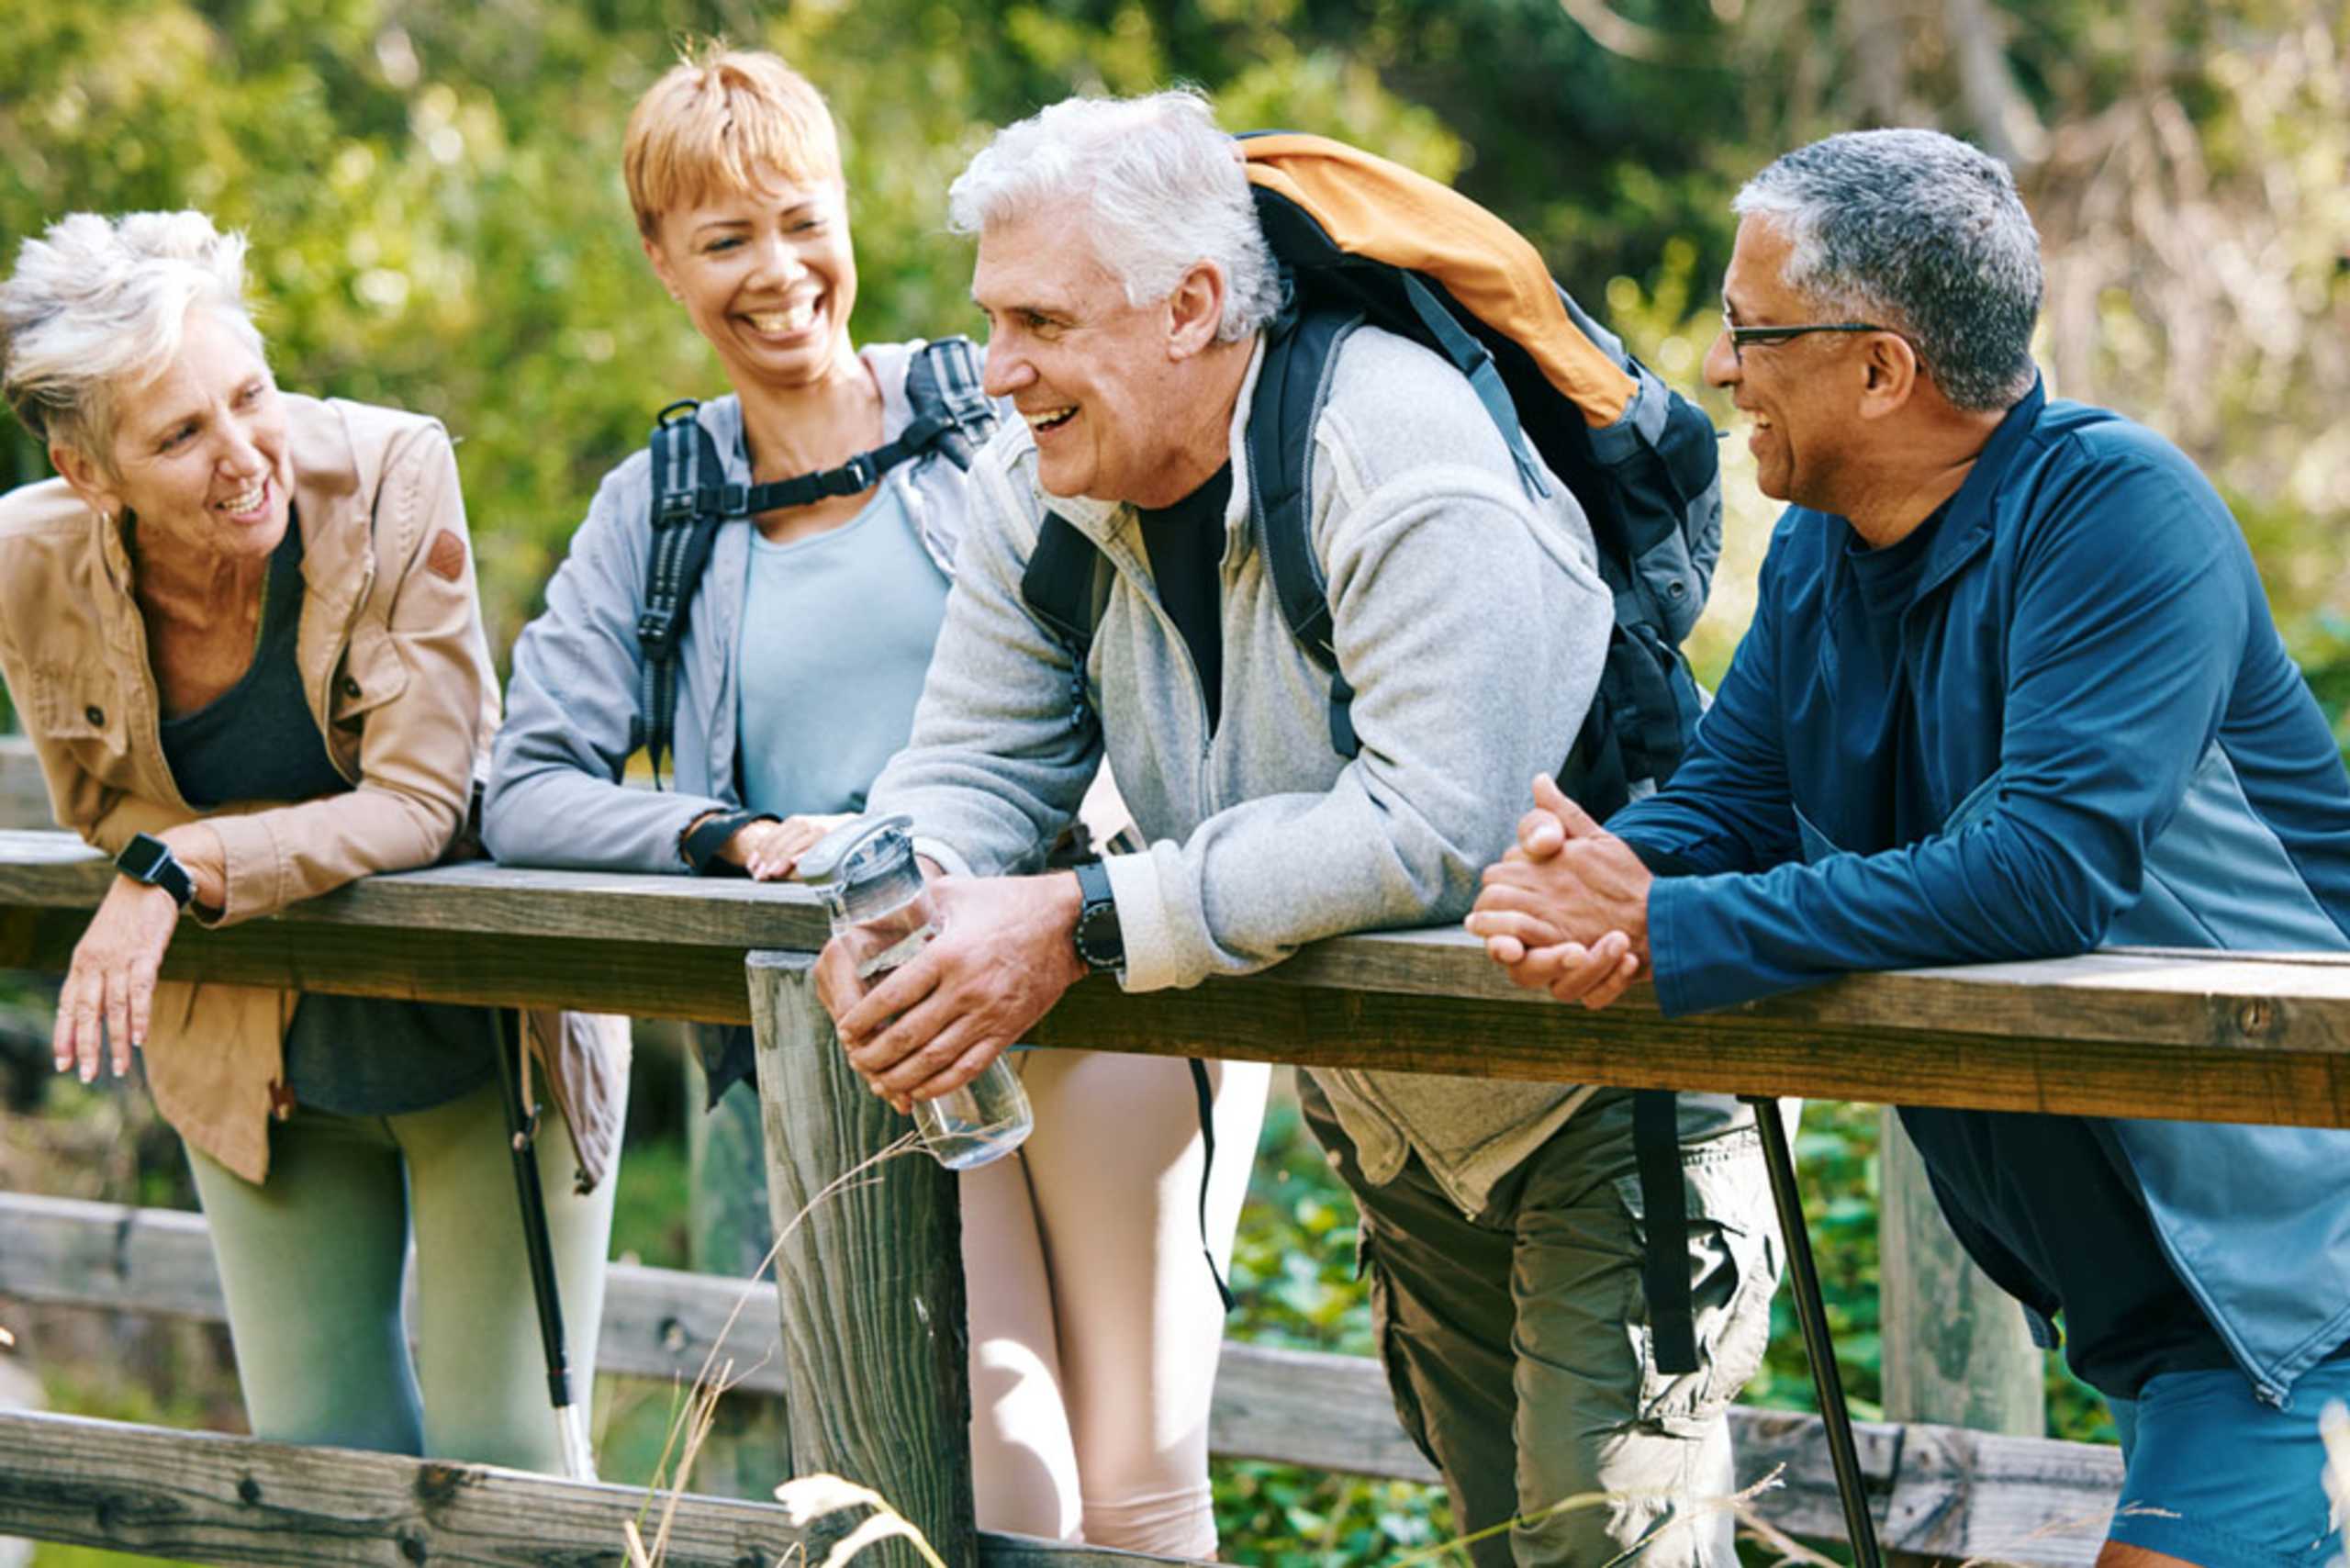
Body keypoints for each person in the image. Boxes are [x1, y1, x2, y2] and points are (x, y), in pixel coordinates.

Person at [816, 89, 1781, 1568]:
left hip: (1611, 1090)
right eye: (991, 320)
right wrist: (918, 895)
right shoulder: (1039, 489)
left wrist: (1076, 922)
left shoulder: (1395, 441)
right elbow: (969, 765)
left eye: (1041, 323)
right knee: (1510, 1540)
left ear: (1191, 305)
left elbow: (1435, 830)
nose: (996, 368)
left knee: (1607, 1551)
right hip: (1403, 1122)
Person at [1470, 128, 2350, 1568]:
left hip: (2303, 1280)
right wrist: (1598, 874)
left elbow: (2042, 869)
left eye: (1753, 331)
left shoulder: (2121, 518)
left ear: (1882, 370)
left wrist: (1668, 929)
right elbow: (1734, 800)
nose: (1719, 367)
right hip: (2164, 1295)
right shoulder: (1826, 549)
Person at [481, 51, 1265, 1556]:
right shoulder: (662, 501)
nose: (777, 275)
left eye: (799, 221)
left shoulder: (995, 404)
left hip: (1092, 950)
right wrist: (726, 834)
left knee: (1141, 1462)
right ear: (661, 261)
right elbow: (526, 785)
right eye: (724, 241)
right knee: (976, 1444)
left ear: (846, 215)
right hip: (876, 1023)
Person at [0, 209, 627, 1471]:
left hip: (481, 1050)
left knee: (506, 1474)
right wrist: (156, 862)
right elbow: (96, 809)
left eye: (251, 395)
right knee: (318, 1479)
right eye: (181, 434)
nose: (244, 456)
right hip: (251, 1062)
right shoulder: (27, 558)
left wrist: (181, 868)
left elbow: (420, 800)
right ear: (90, 472)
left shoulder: (394, 476)